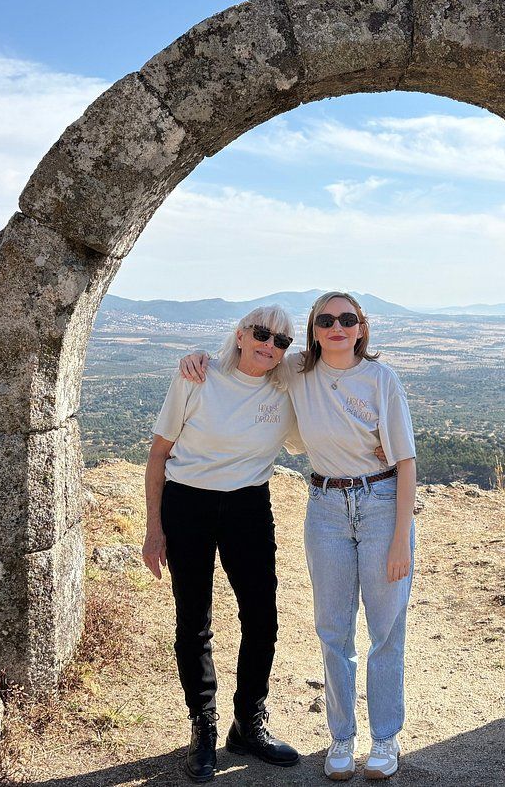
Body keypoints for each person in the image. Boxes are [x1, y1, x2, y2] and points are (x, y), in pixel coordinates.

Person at [180, 290, 417, 781]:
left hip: (378, 504)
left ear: (361, 328)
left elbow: (406, 461)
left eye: (347, 319)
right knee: (333, 630)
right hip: (326, 507)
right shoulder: (296, 370)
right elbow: (248, 358)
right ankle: (342, 736)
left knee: (385, 631)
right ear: (313, 330)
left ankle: (385, 737)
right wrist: (198, 356)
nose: (338, 326)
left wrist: (400, 537)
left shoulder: (380, 378)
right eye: (326, 319)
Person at [142, 304, 304, 783]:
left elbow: (329, 414)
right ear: (239, 334)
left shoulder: (287, 388)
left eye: (281, 341)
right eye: (261, 333)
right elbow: (158, 454)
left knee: (263, 618)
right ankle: (203, 728)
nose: (269, 345)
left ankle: (247, 725)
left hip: (249, 506)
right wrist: (155, 530)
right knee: (194, 621)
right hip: (187, 503)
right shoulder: (197, 377)